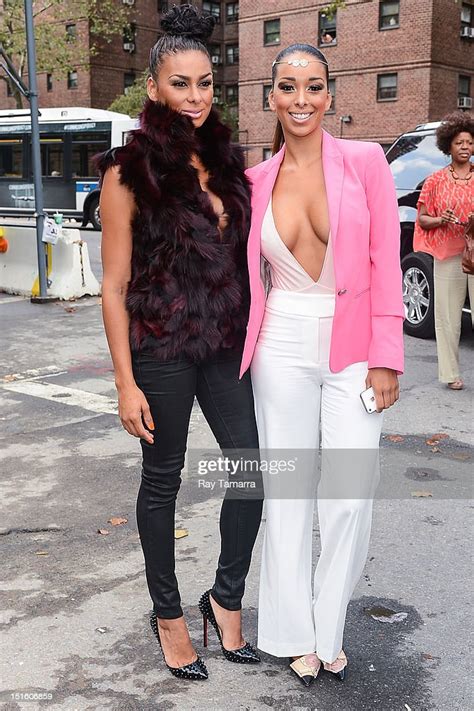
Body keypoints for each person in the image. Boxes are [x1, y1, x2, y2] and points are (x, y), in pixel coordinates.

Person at [97, 4, 262, 682]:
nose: (195, 97)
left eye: (204, 85)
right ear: (155, 88)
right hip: (160, 348)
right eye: (181, 84)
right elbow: (111, 285)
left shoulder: (227, 161)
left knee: (251, 471)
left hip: (222, 344)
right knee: (161, 481)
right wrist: (125, 381)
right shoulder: (125, 169)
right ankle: (167, 614)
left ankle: (224, 597)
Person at [239, 44, 404, 685]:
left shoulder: (365, 163)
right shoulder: (254, 182)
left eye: (313, 86)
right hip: (280, 342)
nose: (301, 99)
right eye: (288, 86)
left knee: (345, 498)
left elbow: (386, 263)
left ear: (330, 95)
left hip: (355, 345)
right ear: (271, 97)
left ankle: (329, 629)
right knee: (286, 494)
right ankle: (295, 635)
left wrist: (387, 356)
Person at [413, 111, 474, 390]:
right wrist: (441, 219)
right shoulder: (435, 181)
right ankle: (451, 374)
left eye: (470, 143)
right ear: (448, 145)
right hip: (448, 253)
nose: (465, 147)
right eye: (460, 142)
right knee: (448, 317)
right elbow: (423, 219)